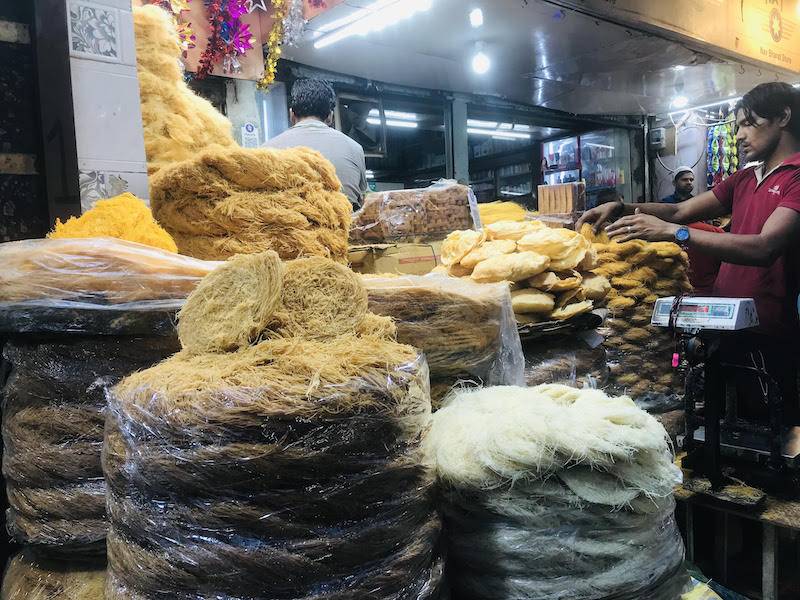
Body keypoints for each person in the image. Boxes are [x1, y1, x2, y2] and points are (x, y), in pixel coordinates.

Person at [577, 81, 800, 418]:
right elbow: (681, 211)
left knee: (765, 431)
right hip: (724, 328)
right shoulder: (745, 177)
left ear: (783, 117)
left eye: (747, 123)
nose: (739, 135)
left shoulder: (796, 177)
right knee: (720, 426)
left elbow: (765, 247)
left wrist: (673, 234)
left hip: (768, 334)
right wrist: (622, 208)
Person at [264, 78, 367, 209]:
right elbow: (362, 198)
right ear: (330, 116)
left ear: (291, 114)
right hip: (343, 227)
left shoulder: (266, 150)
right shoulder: (355, 148)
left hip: (286, 227)